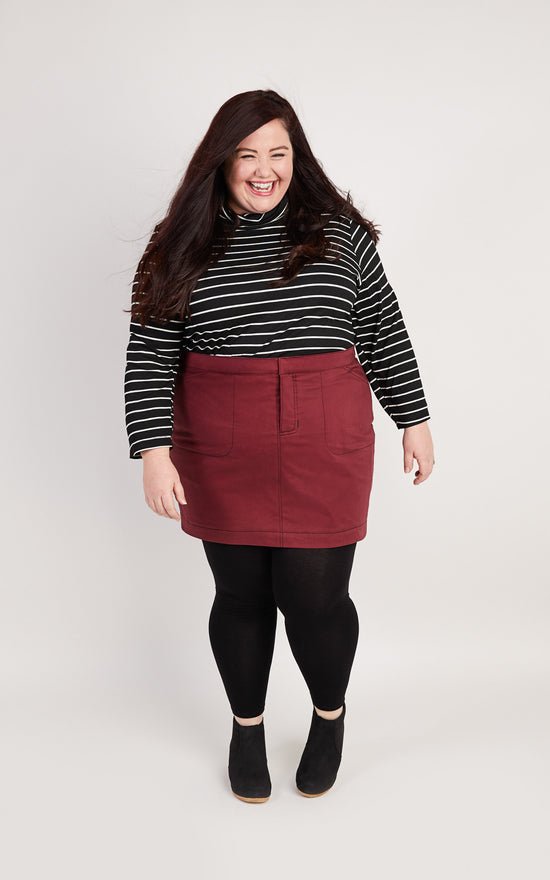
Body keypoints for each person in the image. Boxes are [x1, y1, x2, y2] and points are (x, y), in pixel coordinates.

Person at [123, 89, 435, 804]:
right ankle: (247, 726)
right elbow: (151, 352)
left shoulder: (340, 235)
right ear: (221, 161)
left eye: (278, 154)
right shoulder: (179, 243)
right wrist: (153, 450)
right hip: (221, 444)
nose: (264, 170)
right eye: (247, 155)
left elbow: (382, 330)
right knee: (240, 594)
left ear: (298, 159)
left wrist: (413, 419)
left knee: (314, 597)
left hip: (326, 438)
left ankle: (329, 714)